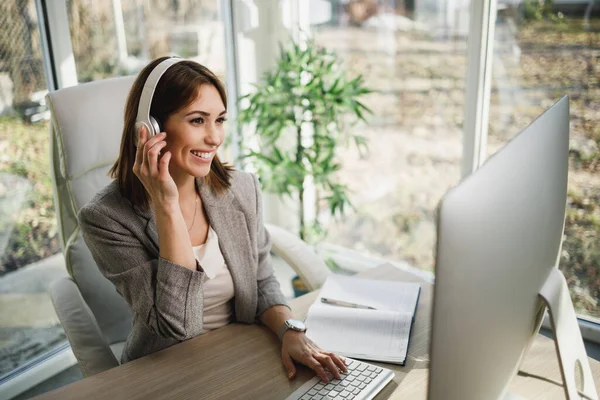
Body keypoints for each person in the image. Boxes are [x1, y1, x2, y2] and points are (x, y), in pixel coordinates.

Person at [78, 57, 346, 383]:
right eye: (197, 120)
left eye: (219, 120)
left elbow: (262, 283)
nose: (215, 137)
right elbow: (178, 326)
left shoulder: (241, 188)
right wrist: (166, 205)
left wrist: (291, 331)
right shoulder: (106, 218)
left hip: (242, 352)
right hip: (165, 371)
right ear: (149, 130)